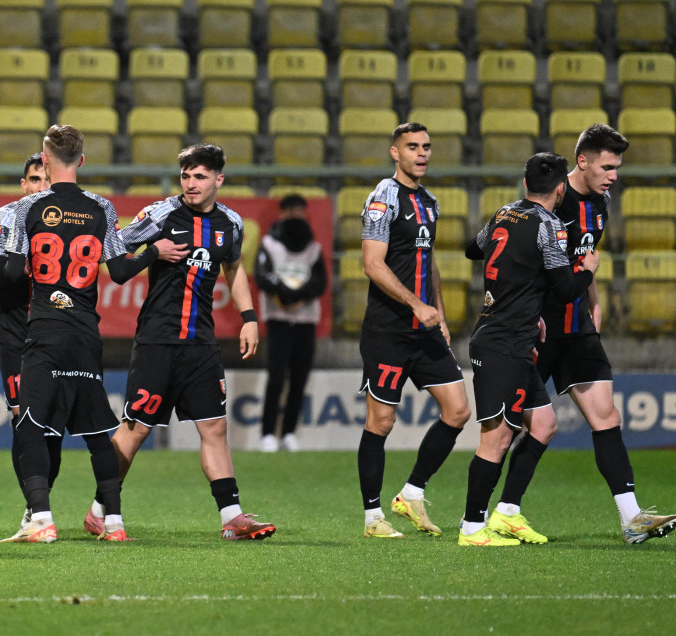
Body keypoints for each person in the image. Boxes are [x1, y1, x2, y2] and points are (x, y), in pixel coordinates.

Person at [487, 125, 676, 545]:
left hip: (577, 328)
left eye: (617, 167)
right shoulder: (551, 202)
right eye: (607, 166)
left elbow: (585, 257)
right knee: (511, 429)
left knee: (606, 416)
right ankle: (488, 514)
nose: (613, 175)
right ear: (583, 161)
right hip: (537, 330)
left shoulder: (602, 202)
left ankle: (631, 519)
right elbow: (527, 264)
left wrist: (593, 299)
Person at [85, 143, 277, 542]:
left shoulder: (231, 223)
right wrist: (153, 251)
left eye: (200, 177)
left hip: (201, 344)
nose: (190, 184)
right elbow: (113, 248)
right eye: (186, 176)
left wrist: (249, 319)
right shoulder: (161, 215)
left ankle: (233, 516)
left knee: (214, 428)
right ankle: (100, 508)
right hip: (158, 340)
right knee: (136, 430)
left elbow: (234, 267)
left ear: (218, 181)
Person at [0, 124, 177, 544]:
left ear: (44, 161)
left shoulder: (27, 210)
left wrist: (18, 257)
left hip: (44, 329)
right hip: (84, 331)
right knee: (98, 432)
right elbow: (117, 272)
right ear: (81, 161)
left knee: (29, 424)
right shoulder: (102, 208)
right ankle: (113, 523)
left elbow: (8, 273)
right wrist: (152, 252)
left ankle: (40, 519)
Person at [459, 152, 598, 547]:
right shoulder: (550, 225)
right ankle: (471, 528)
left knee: (543, 424)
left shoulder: (504, 213)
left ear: (524, 185)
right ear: (560, 189)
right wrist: (588, 268)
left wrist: (516, 288)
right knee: (497, 437)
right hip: (502, 341)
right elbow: (567, 290)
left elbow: (474, 249)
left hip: (511, 336)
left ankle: (507, 514)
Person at [355, 122, 471, 539]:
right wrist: (416, 304)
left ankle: (412, 492)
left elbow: (429, 260)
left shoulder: (430, 201)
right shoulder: (382, 198)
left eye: (426, 146)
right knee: (381, 422)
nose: (421, 153)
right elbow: (372, 264)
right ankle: (372, 519)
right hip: (388, 330)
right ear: (395, 153)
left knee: (458, 410)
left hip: (424, 329)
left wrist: (437, 310)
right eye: (412, 147)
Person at [0, 153, 62, 515]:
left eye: (47, 180)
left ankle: (39, 502)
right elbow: (0, 278)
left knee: (53, 428)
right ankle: (35, 508)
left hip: (58, 334)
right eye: (34, 180)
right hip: (18, 334)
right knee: (23, 419)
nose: (41, 187)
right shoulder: (6, 217)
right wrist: (26, 248)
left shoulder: (71, 217)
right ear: (23, 185)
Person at [255, 193, 327, 452]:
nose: (296, 215)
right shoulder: (269, 244)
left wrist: (298, 296)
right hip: (278, 319)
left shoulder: (313, 247)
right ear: (282, 213)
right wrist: (286, 297)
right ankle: (267, 434)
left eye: (301, 210)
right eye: (291, 210)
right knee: (276, 377)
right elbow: (262, 277)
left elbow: (320, 282)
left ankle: (288, 432)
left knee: (299, 378)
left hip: (306, 320)